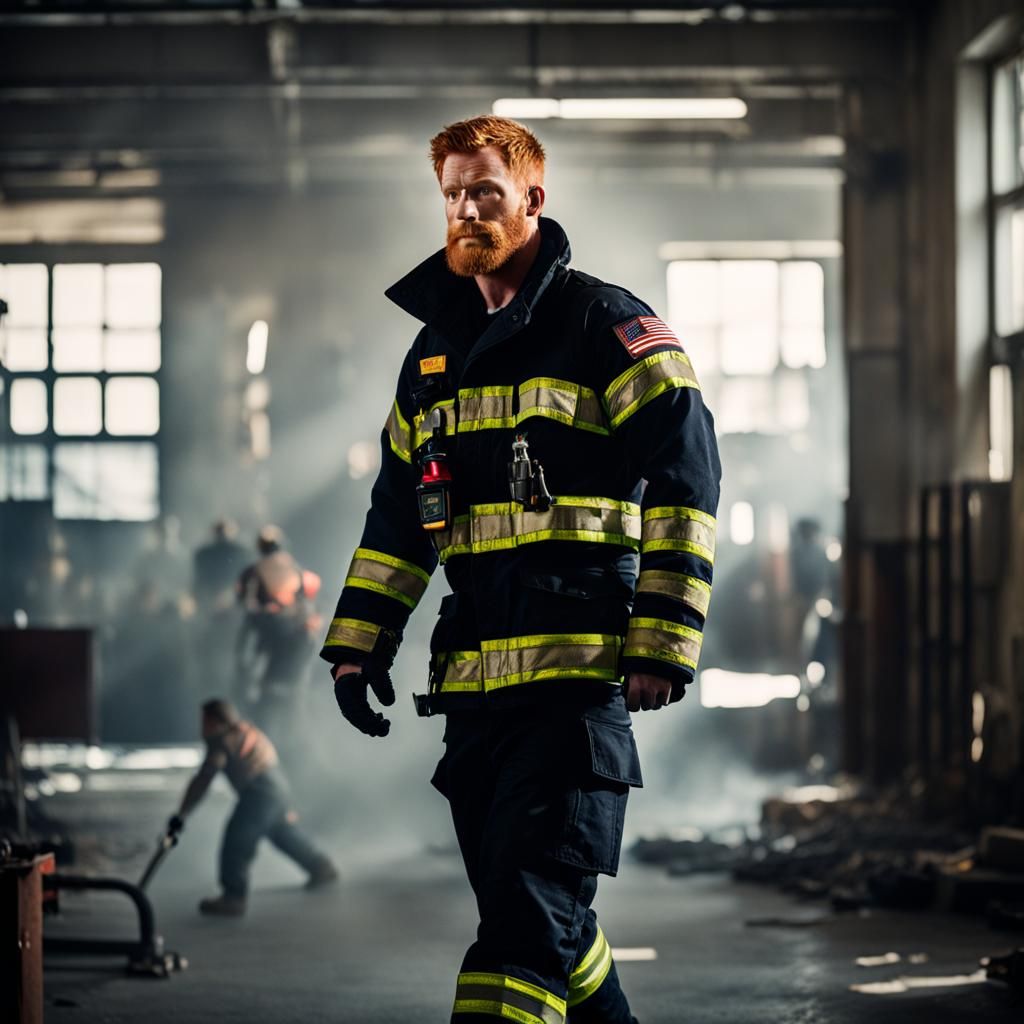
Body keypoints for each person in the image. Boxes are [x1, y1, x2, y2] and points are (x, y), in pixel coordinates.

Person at [320, 116, 721, 1024]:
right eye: (453, 195)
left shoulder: (607, 325)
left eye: (486, 192)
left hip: (575, 692)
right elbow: (397, 516)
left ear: (533, 199)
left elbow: (688, 477)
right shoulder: (432, 357)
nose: (466, 210)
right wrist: (359, 645)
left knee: (519, 938)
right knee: (549, 928)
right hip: (474, 697)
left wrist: (662, 638)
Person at [169, 698, 338, 916]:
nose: (202, 727)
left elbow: (204, 778)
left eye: (205, 721)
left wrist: (183, 813)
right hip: (277, 788)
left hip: (259, 793)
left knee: (237, 840)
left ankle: (233, 898)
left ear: (216, 721)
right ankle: (321, 866)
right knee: (282, 835)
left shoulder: (222, 741)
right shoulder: (247, 731)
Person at [236, 526, 322, 745]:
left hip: (269, 637)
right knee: (292, 688)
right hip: (294, 636)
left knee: (263, 685)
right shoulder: (294, 568)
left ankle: (266, 734)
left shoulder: (254, 571)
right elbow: (306, 600)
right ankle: (291, 738)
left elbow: (246, 603)